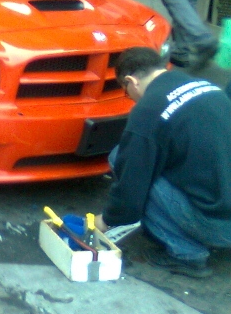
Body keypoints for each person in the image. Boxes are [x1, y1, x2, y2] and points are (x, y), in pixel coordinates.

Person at [95, 47, 231, 278]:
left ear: (131, 81)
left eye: (126, 92)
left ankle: (188, 255)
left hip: (220, 227)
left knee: (122, 159)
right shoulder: (205, 86)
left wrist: (108, 219)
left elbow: (131, 185)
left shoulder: (148, 110)